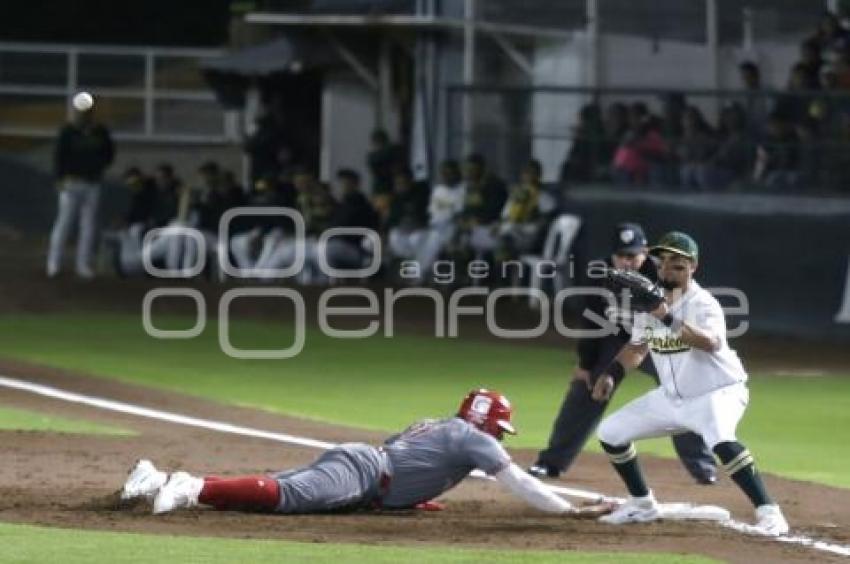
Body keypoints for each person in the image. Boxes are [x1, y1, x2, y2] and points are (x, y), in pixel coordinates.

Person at [120, 389, 613, 518]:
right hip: (362, 474)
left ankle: (154, 478)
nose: (500, 437)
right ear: (485, 421)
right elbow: (521, 483)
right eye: (498, 427)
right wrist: (567, 510)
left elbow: (412, 460)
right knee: (284, 498)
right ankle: (190, 485)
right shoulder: (474, 439)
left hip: (361, 468)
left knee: (274, 493)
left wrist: (411, 499)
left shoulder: (441, 426)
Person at [592, 231, 789, 535]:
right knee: (610, 432)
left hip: (718, 392)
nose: (667, 268)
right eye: (664, 261)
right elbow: (637, 348)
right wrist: (611, 373)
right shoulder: (650, 302)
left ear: (693, 266)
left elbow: (709, 343)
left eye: (677, 263)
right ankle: (642, 505)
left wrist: (665, 314)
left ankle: (770, 513)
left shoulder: (704, 303)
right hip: (671, 399)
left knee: (720, 439)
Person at [529, 224, 716, 484]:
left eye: (633, 255)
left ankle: (703, 468)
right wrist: (586, 364)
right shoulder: (600, 274)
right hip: (615, 339)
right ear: (612, 255)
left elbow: (680, 311)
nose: (627, 262)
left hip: (655, 339)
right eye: (621, 256)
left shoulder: (661, 273)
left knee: (681, 391)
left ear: (646, 253)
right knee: (585, 389)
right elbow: (592, 320)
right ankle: (551, 463)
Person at [47, 92, 115, 278]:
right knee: (64, 223)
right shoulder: (68, 131)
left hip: (92, 182)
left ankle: (83, 265)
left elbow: (109, 153)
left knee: (88, 225)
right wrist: (59, 178)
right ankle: (54, 263)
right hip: (71, 182)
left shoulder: (100, 131)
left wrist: (98, 168)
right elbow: (59, 156)